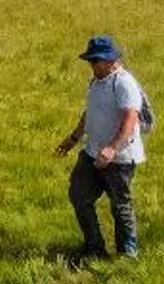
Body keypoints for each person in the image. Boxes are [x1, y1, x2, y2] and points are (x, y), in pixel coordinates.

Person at [54, 34, 147, 258]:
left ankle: (128, 253)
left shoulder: (123, 83)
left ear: (110, 60)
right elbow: (91, 112)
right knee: (79, 195)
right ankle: (94, 247)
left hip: (119, 158)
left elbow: (130, 120)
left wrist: (112, 148)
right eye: (90, 60)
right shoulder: (96, 81)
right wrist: (74, 137)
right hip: (92, 152)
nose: (91, 65)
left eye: (95, 60)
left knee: (120, 205)